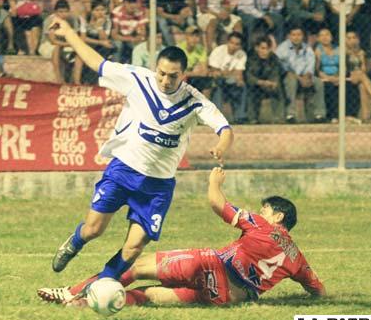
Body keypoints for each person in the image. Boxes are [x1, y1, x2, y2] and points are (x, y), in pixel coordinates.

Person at [47, 17, 234, 289]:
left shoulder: (195, 101)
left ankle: (103, 284)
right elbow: (96, 62)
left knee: (134, 247)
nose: (165, 80)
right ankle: (75, 242)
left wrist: (221, 146)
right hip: (123, 170)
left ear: (184, 74)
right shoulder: (137, 79)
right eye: (161, 73)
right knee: (94, 229)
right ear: (155, 67)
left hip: (158, 185)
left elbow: (225, 128)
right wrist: (68, 32)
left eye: (173, 76)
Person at [38, 167, 326, 307]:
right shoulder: (297, 258)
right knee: (149, 296)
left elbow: (218, 204)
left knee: (134, 267)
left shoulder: (264, 225)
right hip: (226, 297)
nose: (261, 211)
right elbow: (318, 291)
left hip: (211, 266)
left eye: (266, 208)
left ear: (278, 217)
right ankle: (83, 305)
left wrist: (214, 182)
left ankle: (71, 292)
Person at [275, 24, 326, 123]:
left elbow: (310, 66)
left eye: (299, 34)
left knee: (318, 82)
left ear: (303, 36)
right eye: (293, 35)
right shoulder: (282, 48)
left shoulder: (307, 49)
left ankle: (319, 114)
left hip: (304, 76)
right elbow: (284, 69)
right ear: (289, 36)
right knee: (291, 81)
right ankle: (290, 114)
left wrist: (307, 76)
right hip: (288, 76)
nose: (296, 37)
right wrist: (300, 79)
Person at [38, 0, 80, 84]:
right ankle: (59, 78)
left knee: (80, 53)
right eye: (60, 12)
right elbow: (53, 41)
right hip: (48, 45)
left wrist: (72, 44)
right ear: (55, 12)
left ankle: (76, 81)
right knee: (56, 47)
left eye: (65, 11)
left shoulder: (72, 19)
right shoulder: (51, 21)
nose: (63, 14)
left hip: (66, 45)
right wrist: (69, 44)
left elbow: (75, 36)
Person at [209, 31, 247, 124]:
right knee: (219, 84)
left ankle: (240, 117)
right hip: (217, 80)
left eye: (237, 44)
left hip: (231, 80)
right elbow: (215, 71)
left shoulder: (242, 54)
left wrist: (237, 78)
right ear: (227, 42)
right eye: (232, 43)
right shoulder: (218, 51)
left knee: (242, 86)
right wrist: (230, 73)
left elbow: (239, 74)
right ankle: (217, 117)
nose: (233, 46)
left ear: (240, 46)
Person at [246, 35, 286, 124]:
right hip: (255, 84)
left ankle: (278, 118)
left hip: (268, 84)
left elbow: (276, 73)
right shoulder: (250, 58)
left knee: (277, 88)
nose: (265, 51)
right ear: (257, 48)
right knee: (252, 91)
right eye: (262, 48)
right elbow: (249, 77)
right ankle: (253, 119)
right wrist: (261, 82)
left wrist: (273, 82)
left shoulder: (273, 58)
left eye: (267, 49)